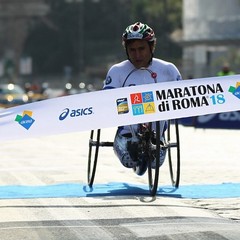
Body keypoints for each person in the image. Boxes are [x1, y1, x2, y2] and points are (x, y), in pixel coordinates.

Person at [103, 22, 182, 174]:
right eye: (132, 50)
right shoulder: (117, 71)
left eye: (141, 49)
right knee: (129, 160)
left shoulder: (168, 70)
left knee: (155, 163)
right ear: (126, 50)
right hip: (127, 132)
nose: (137, 55)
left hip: (156, 133)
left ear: (152, 47)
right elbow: (107, 103)